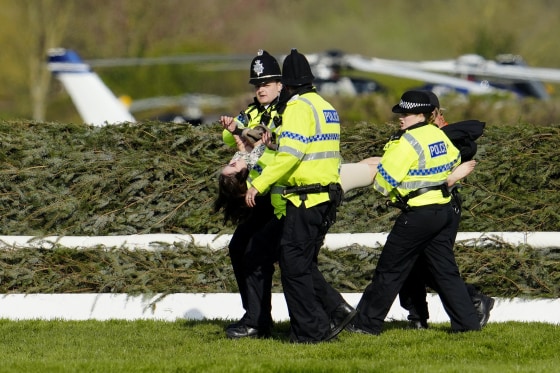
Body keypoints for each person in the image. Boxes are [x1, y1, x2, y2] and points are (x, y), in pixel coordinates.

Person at [348, 90, 481, 335]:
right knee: (446, 273)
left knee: (389, 271)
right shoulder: (437, 134)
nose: (401, 117)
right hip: (442, 210)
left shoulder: (407, 142)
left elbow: (384, 182)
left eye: (406, 113)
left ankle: (365, 325)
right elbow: (453, 162)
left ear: (421, 115)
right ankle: (467, 325)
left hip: (418, 214)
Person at [245, 49, 355, 343]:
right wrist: (276, 142)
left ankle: (311, 331)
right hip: (326, 194)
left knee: (293, 267)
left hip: (305, 197)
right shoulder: (325, 106)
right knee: (301, 264)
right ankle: (326, 318)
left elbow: (292, 156)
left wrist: (260, 184)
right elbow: (308, 145)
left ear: (288, 85)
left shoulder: (296, 107)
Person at [398, 91, 495, 330]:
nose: (403, 118)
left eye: (410, 113)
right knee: (415, 262)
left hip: (440, 205)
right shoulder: (429, 136)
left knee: (431, 264)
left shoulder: (442, 138)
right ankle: (419, 317)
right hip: (431, 206)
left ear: (429, 115)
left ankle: (472, 300)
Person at [214, 50, 283, 338]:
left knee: (256, 254)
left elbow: (278, 145)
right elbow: (231, 137)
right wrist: (232, 128)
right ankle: (255, 315)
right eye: (257, 84)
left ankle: (257, 321)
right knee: (238, 249)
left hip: (274, 191)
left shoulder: (287, 110)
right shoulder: (252, 110)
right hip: (256, 192)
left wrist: (249, 138)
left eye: (266, 83)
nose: (261, 89)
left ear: (280, 84)